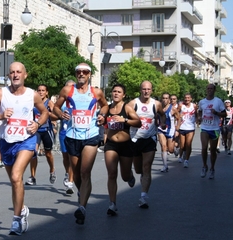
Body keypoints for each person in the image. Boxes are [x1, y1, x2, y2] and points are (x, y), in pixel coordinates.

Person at [0, 62, 49, 235]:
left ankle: (16, 220)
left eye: (18, 72)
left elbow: (45, 112)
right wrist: (0, 116)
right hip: (7, 141)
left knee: (15, 176)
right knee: (15, 183)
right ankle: (22, 209)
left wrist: (37, 124)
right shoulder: (1, 93)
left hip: (26, 140)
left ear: (25, 75)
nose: (15, 75)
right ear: (8, 76)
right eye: (12, 72)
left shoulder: (32, 95)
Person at [53, 63, 108, 225]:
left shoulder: (96, 92)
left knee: (85, 172)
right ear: (76, 74)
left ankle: (82, 208)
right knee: (76, 174)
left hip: (90, 136)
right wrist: (61, 114)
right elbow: (55, 107)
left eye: (85, 72)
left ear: (89, 74)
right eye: (79, 72)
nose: (81, 74)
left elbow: (104, 105)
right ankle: (81, 192)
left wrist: (102, 115)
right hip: (71, 136)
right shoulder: (67, 91)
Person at [128, 80, 166, 209]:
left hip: (150, 138)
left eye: (148, 89)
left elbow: (162, 115)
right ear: (140, 90)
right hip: (135, 139)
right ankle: (134, 175)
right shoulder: (133, 103)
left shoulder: (156, 104)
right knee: (139, 169)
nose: (146, 91)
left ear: (151, 90)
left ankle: (143, 196)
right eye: (144, 89)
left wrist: (162, 123)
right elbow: (124, 114)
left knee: (146, 167)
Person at [104, 84, 141, 216]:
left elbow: (138, 122)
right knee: (112, 173)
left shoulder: (127, 108)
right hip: (111, 144)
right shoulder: (106, 108)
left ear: (123, 95)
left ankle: (129, 176)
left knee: (124, 176)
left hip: (126, 144)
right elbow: (101, 119)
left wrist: (124, 120)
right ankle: (112, 204)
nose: (116, 94)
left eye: (119, 92)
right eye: (114, 91)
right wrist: (100, 119)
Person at [26, 84, 58, 185]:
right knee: (33, 152)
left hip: (47, 130)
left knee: (48, 154)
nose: (41, 92)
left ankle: (52, 170)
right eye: (39, 90)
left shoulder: (49, 103)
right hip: (36, 130)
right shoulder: (33, 102)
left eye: (43, 90)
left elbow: (55, 116)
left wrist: (48, 114)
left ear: (46, 92)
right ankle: (32, 177)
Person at [197, 83, 225, 179]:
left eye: (211, 88)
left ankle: (212, 168)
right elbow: (200, 111)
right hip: (204, 127)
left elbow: (224, 114)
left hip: (215, 128)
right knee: (204, 148)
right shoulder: (202, 102)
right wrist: (199, 117)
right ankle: (204, 166)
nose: (209, 90)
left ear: (214, 90)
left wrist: (216, 113)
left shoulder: (218, 101)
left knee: (213, 150)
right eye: (208, 88)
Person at [59, 80, 75, 195]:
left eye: (71, 88)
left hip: (75, 133)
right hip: (63, 132)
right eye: (67, 87)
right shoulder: (62, 102)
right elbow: (54, 112)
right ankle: (67, 172)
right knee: (65, 157)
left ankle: (70, 182)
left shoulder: (78, 101)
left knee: (72, 157)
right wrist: (60, 115)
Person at [157, 93, 179, 172]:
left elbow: (179, 118)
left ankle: (176, 148)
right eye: (163, 98)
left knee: (170, 150)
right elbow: (156, 118)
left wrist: (177, 130)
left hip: (170, 129)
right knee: (163, 147)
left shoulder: (173, 108)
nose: (165, 100)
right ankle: (165, 166)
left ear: (169, 100)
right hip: (161, 129)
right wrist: (158, 123)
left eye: (166, 98)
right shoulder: (158, 108)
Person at [177, 93, 197, 168]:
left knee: (188, 144)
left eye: (188, 98)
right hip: (182, 127)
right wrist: (179, 116)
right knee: (182, 145)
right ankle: (181, 155)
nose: (187, 99)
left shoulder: (194, 106)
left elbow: (197, 114)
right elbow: (176, 113)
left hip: (191, 128)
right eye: (185, 98)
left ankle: (186, 160)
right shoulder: (181, 105)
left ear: (191, 99)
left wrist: (198, 119)